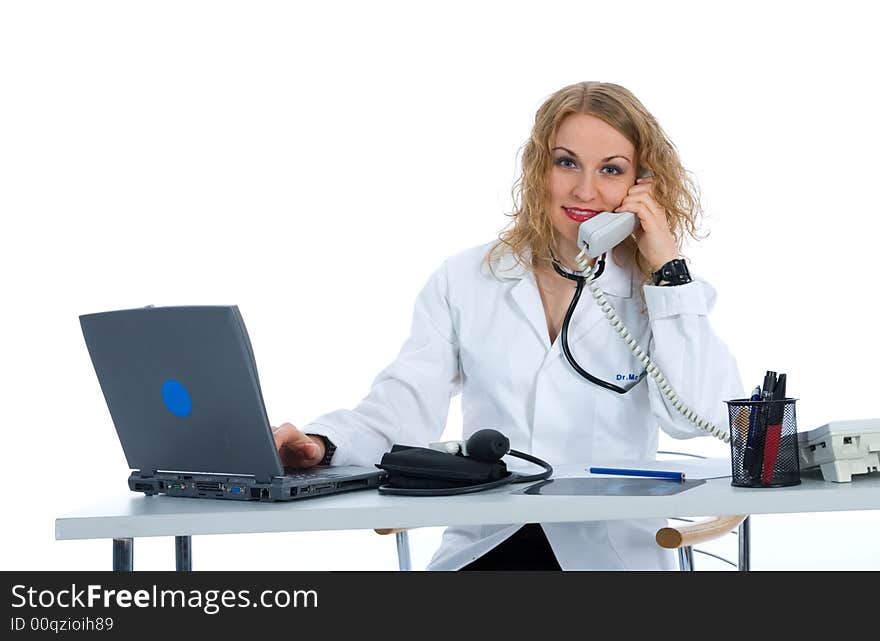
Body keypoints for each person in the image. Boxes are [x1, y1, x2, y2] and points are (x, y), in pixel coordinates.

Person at [272, 81, 745, 570]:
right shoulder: (466, 279)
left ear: (641, 185)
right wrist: (323, 444)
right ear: (538, 167)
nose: (584, 190)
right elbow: (402, 406)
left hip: (607, 553)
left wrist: (666, 266)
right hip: (488, 544)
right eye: (566, 162)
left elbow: (696, 416)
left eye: (611, 170)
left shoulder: (666, 296)